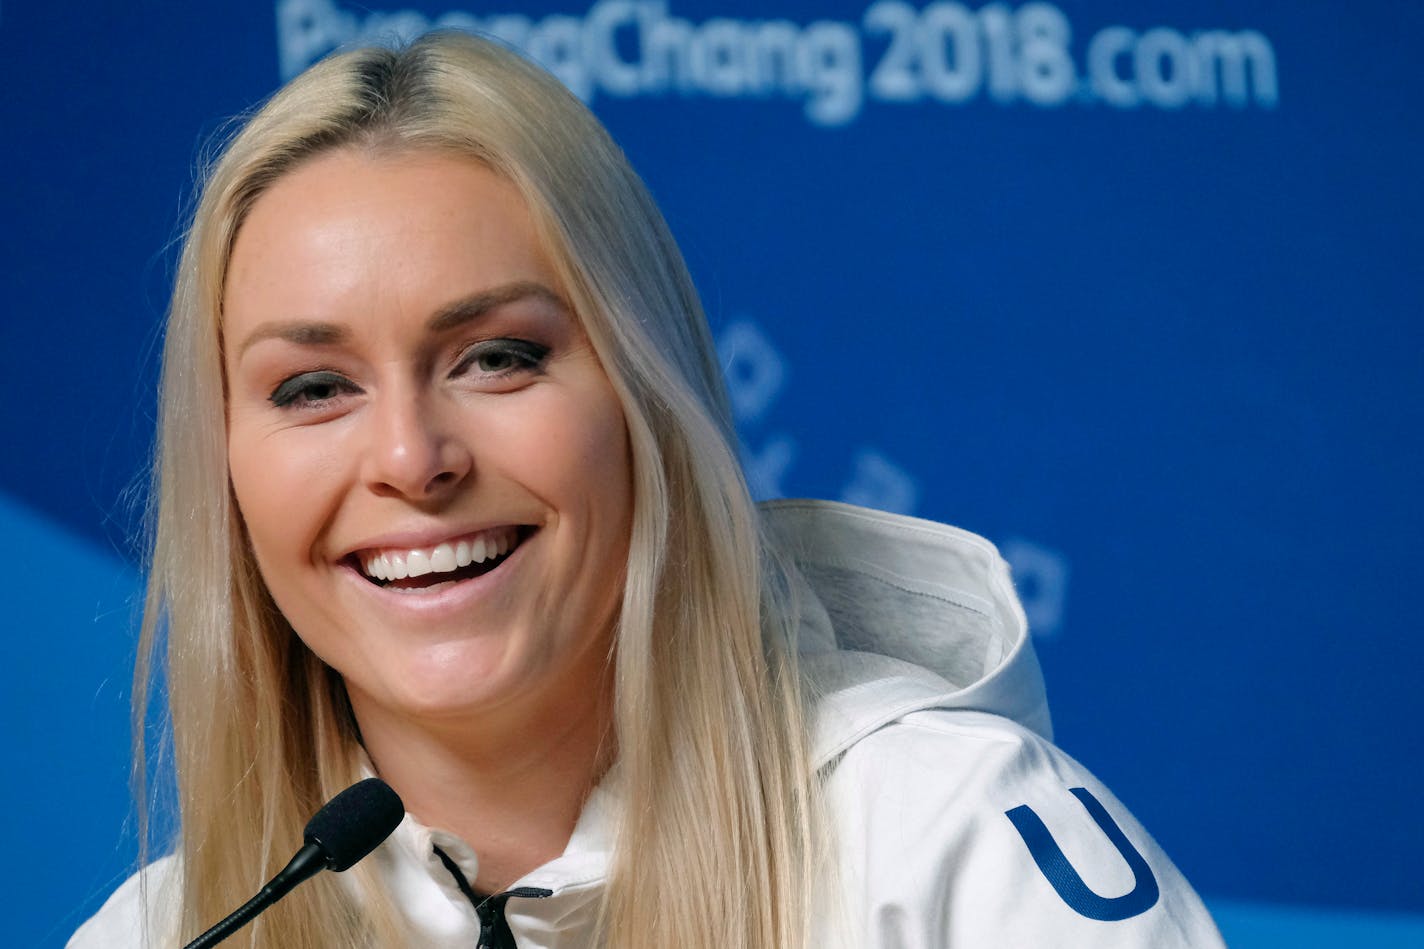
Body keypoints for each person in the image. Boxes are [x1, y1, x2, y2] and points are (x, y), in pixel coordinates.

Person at [70, 30, 1224, 949]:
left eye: (496, 357)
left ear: (645, 399)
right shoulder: (161, 933)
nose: (413, 459)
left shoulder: (946, 849)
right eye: (314, 386)